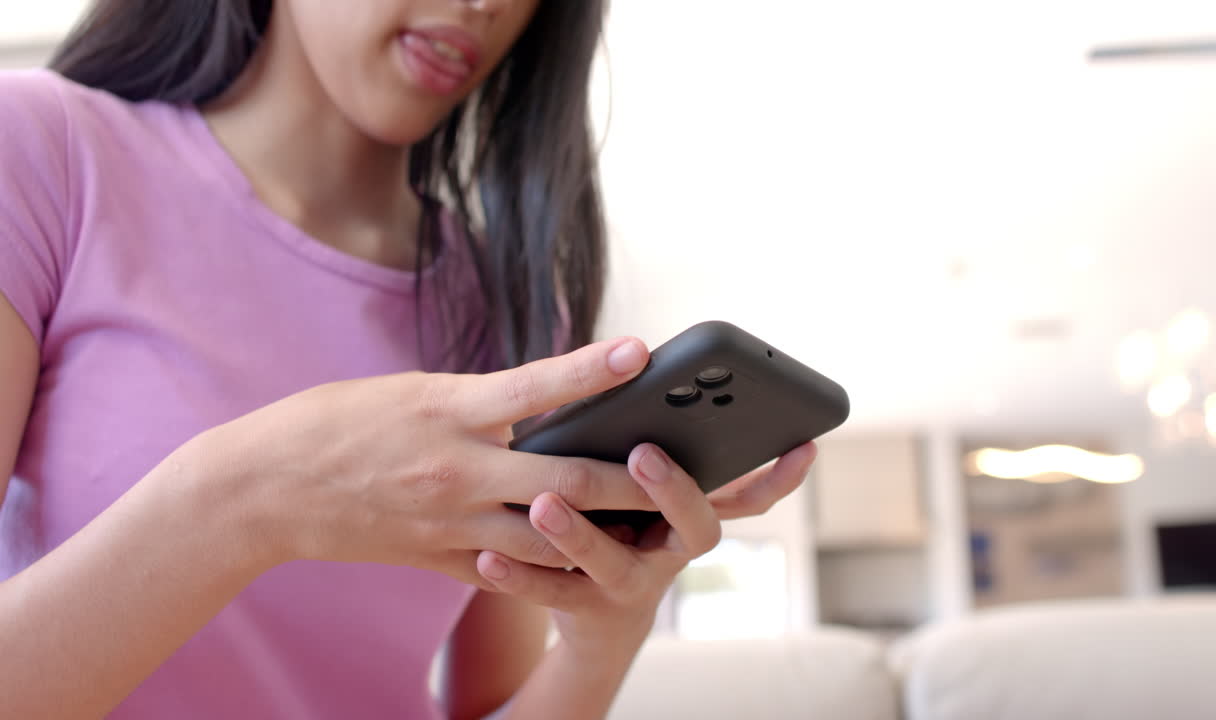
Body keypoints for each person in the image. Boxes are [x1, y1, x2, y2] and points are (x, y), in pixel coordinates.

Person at [0, 1, 818, 718]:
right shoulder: (42, 153)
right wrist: (251, 496)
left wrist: (603, 638)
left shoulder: (505, 306)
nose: (486, 3)